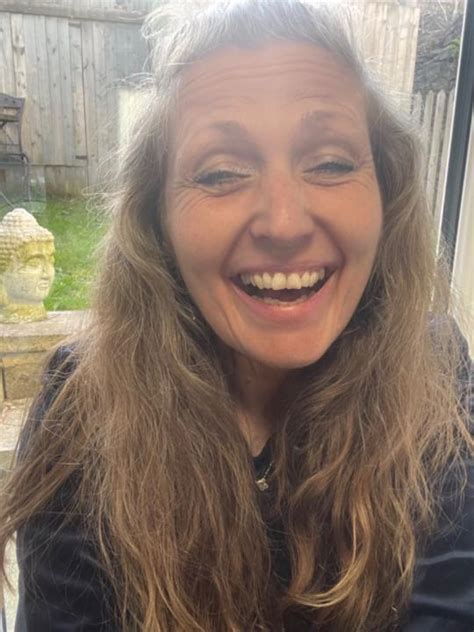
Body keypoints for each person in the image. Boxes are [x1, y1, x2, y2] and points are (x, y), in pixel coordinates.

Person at [1, 1, 473, 630]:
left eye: (331, 163)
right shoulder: (83, 404)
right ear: (156, 219)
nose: (284, 222)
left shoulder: (437, 372)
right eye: (222, 172)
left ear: (388, 192)